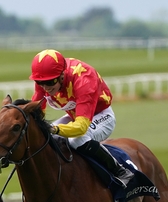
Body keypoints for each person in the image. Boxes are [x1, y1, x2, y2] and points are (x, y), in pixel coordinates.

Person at [30, 49, 134, 186]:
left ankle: (120, 171)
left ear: (62, 75)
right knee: (46, 138)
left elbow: (81, 127)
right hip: (75, 115)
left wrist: (55, 129)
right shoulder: (45, 78)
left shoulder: (84, 78)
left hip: (101, 116)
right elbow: (37, 112)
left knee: (76, 140)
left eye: (50, 82)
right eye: (40, 82)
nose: (45, 88)